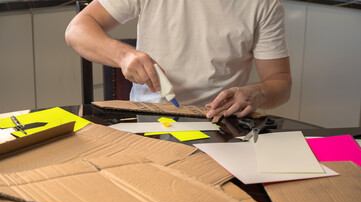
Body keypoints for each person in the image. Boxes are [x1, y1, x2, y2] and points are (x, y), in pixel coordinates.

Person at [65, 0, 292, 119]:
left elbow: (280, 82)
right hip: (149, 118)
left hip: (220, 124)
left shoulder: (265, 4)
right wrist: (124, 56)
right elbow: (76, 30)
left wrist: (256, 93)